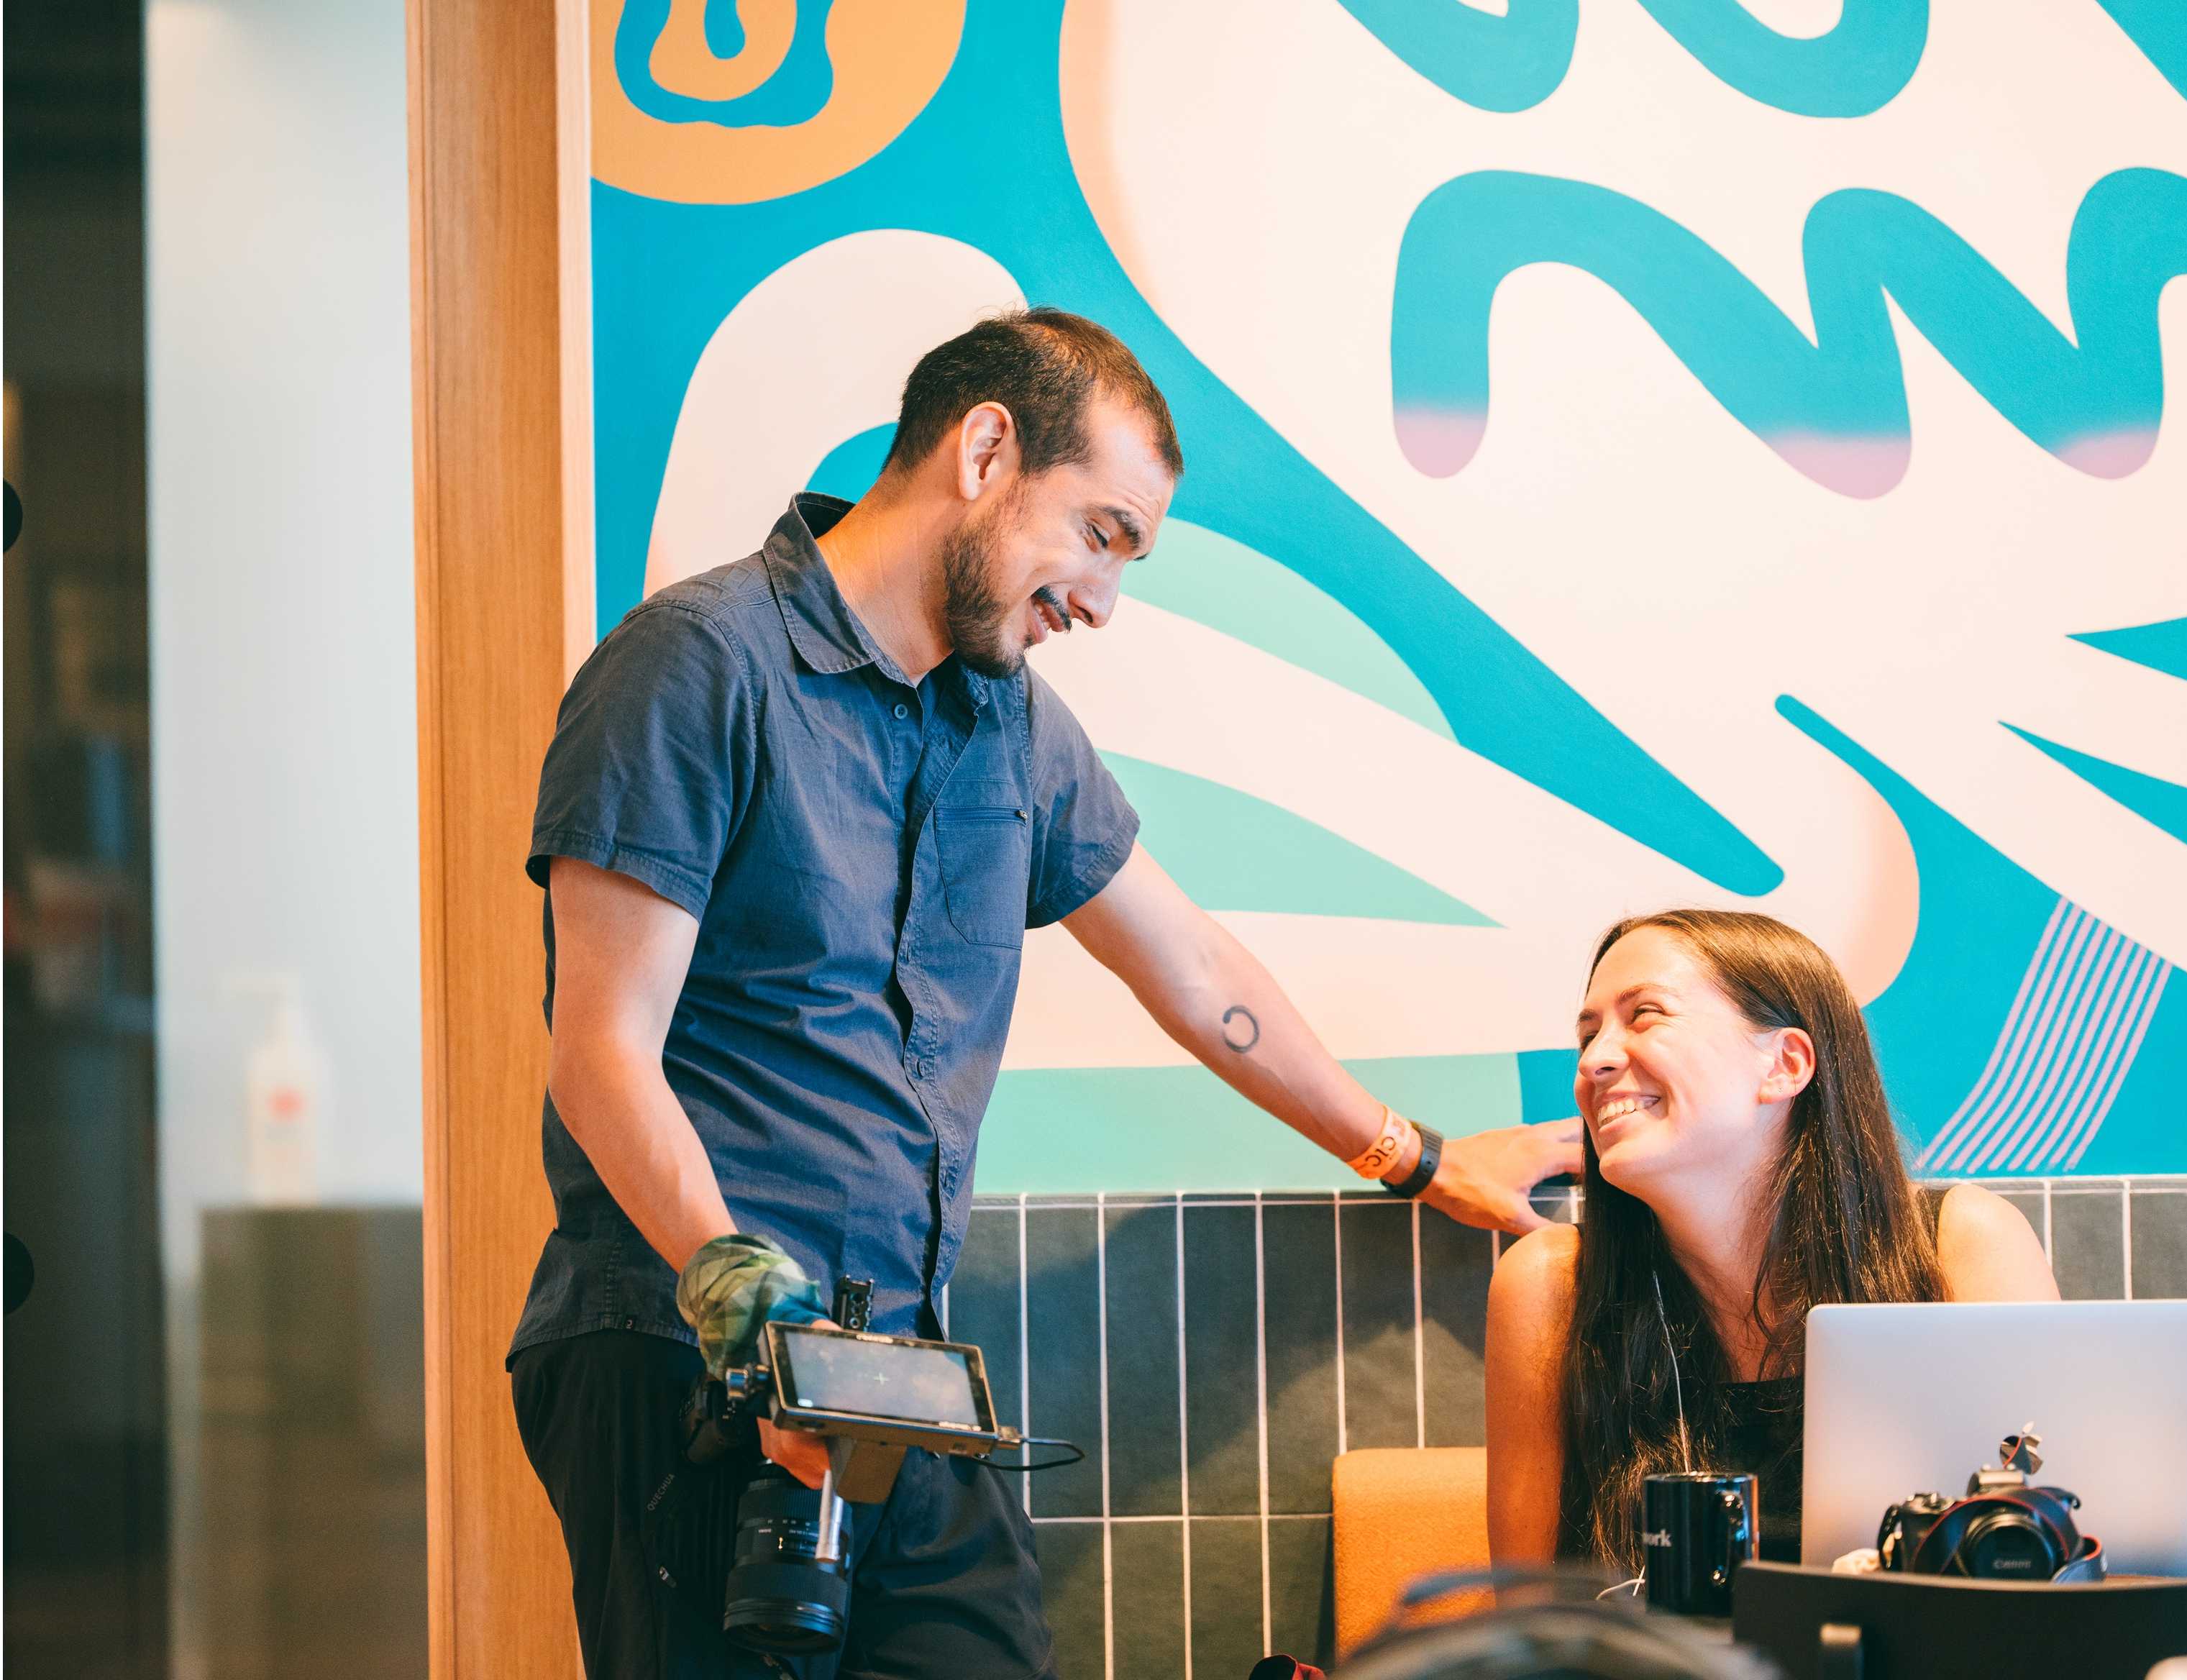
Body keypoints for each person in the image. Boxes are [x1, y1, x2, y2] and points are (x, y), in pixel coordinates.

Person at [506, 308, 1583, 1679]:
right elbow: (601, 1052)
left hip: (891, 1371)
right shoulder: (695, 663)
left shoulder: (1006, 722)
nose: (1102, 599)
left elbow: (1191, 968)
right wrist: (756, 1325)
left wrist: (1413, 1155)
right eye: (1102, 533)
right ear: (985, 452)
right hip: (678, 1348)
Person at [1484, 909, 2058, 1574]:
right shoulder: (1550, 1284)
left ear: (1785, 1065)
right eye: (1588, 1036)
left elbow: (2048, 1558)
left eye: (1645, 1015)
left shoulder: (1963, 1244)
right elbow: (1525, 1611)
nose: (1595, 1060)